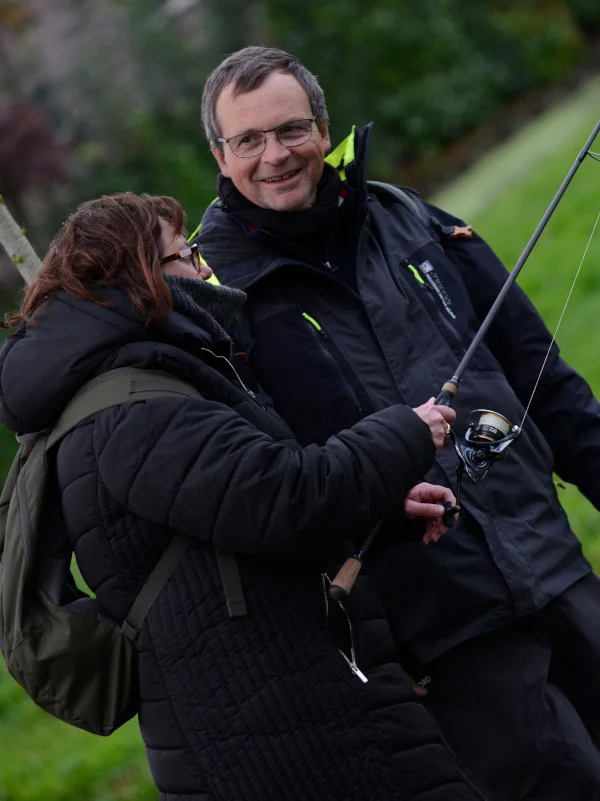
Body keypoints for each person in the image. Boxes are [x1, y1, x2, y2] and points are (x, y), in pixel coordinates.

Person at [194, 45, 600, 801]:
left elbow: (542, 373)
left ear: (323, 128)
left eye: (290, 130)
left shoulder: (408, 217)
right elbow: (265, 492)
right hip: (438, 623)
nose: (274, 156)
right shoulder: (214, 301)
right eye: (247, 140)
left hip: (548, 556)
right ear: (219, 155)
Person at [0, 192, 488, 801]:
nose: (206, 269)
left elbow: (233, 522)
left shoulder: (152, 379)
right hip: (280, 735)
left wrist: (384, 507)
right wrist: (405, 433)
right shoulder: (133, 410)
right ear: (140, 275)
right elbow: (288, 501)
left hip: (287, 711)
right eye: (186, 255)